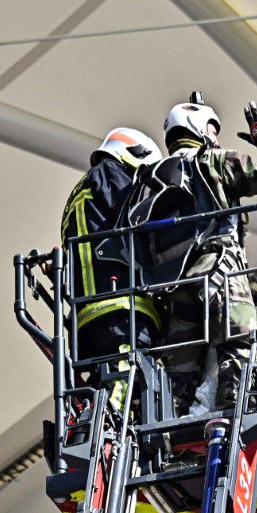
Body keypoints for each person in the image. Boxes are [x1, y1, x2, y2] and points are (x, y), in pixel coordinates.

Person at [137, 95, 257, 408]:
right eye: (212, 127)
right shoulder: (213, 161)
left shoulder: (149, 178)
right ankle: (233, 400)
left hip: (172, 292)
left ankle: (178, 427)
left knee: (179, 383)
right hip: (219, 272)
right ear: (199, 127)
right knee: (238, 345)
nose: (216, 135)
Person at [61, 127, 162, 409]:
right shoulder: (110, 174)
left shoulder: (77, 195)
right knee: (125, 378)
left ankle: (95, 426)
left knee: (107, 380)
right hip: (118, 307)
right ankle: (105, 428)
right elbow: (138, 214)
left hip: (88, 315)